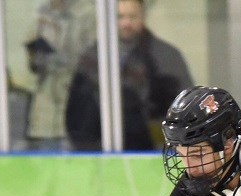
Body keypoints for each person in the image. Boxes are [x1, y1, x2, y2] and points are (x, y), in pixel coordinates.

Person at [65, 0, 193, 150]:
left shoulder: (167, 57)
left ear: (143, 16)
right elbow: (77, 114)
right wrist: (86, 149)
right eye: (120, 17)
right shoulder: (91, 58)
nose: (126, 23)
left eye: (132, 17)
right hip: (98, 154)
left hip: (153, 153)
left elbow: (185, 111)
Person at [24, 0, 97, 150]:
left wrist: (61, 52)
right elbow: (33, 67)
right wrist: (34, 53)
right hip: (44, 116)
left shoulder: (89, 13)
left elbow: (92, 62)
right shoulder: (40, 13)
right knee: (45, 170)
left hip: (74, 112)